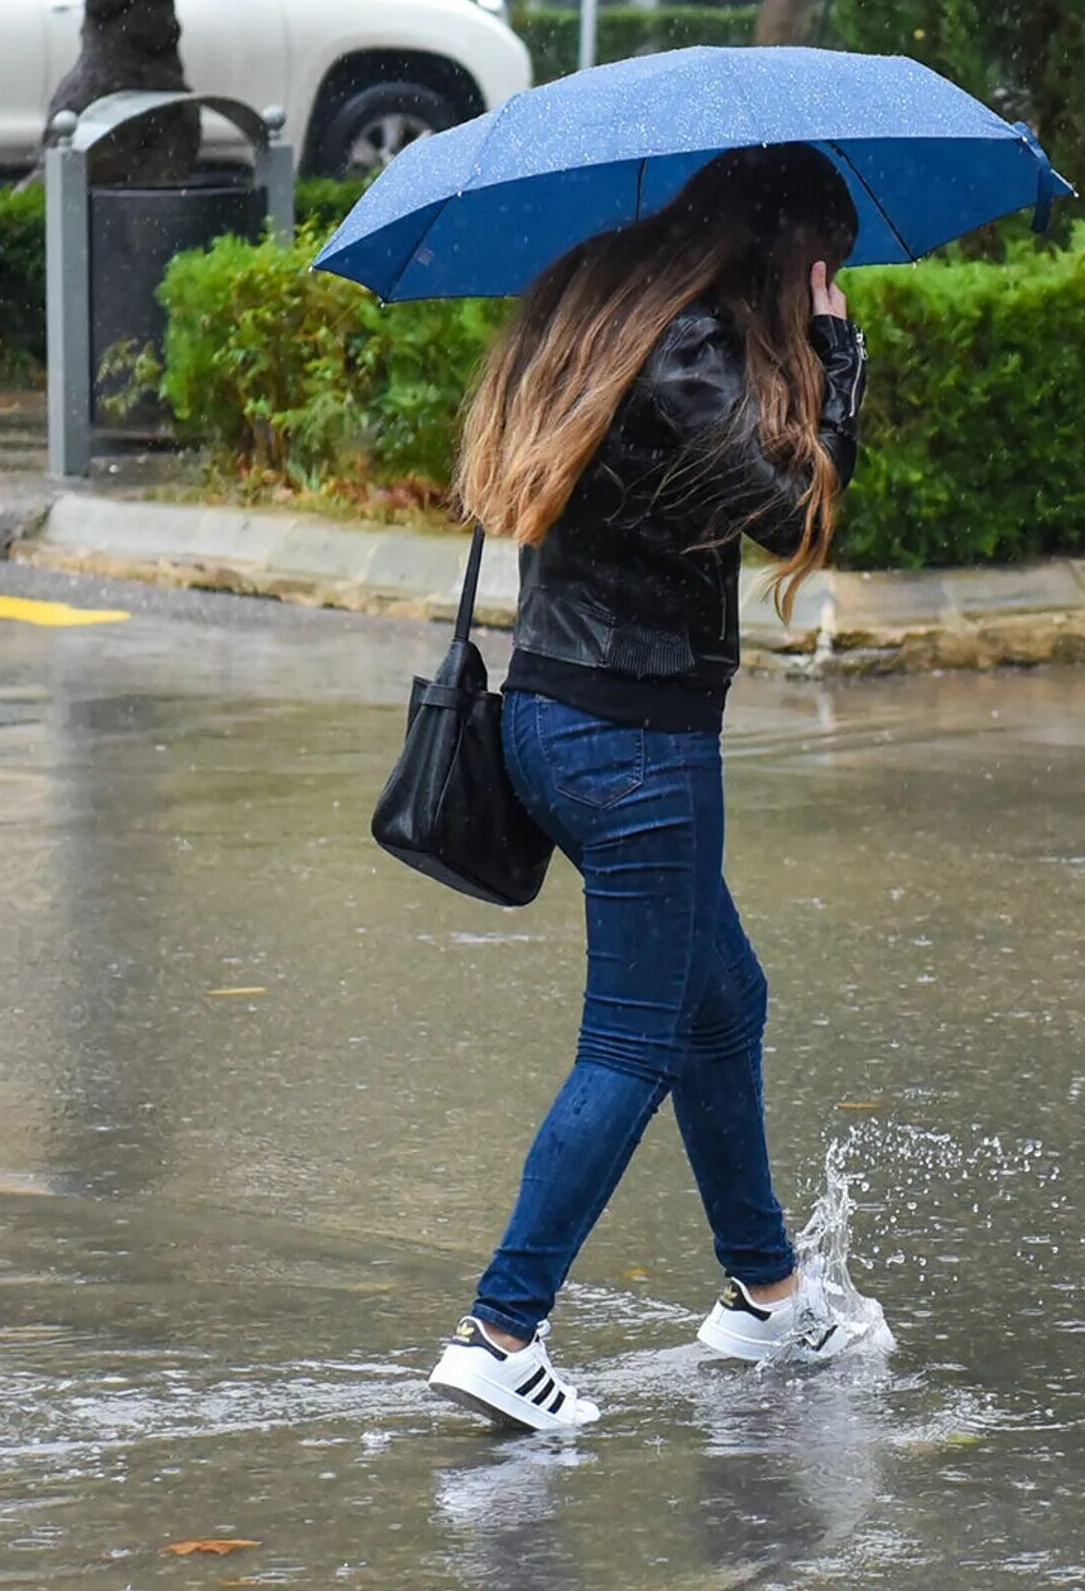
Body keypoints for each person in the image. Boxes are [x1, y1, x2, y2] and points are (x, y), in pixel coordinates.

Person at [426, 144, 869, 1433]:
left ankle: (770, 1296)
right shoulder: (689, 353)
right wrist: (840, 372)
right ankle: (503, 1328)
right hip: (636, 751)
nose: (826, 293)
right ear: (792, 255)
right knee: (631, 1042)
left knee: (722, 1000)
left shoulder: (607, 307)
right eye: (824, 271)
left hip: (559, 721)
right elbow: (793, 517)